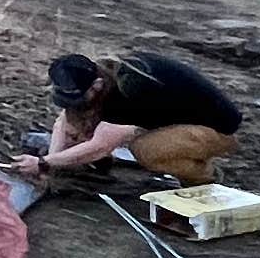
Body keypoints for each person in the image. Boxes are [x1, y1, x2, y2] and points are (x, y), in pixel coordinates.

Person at [14, 50, 242, 191]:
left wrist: (43, 163)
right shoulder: (100, 76)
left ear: (96, 86)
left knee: (145, 151)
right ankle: (84, 166)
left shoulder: (128, 90)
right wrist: (50, 163)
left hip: (217, 129)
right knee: (81, 127)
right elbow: (64, 121)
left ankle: (204, 179)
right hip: (175, 120)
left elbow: (100, 146)